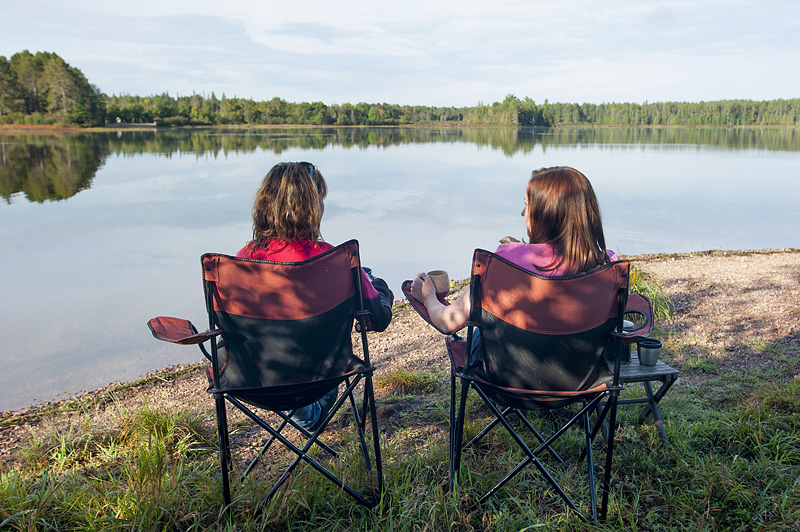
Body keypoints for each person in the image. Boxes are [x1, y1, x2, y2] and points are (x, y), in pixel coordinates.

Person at [236, 161, 394, 431]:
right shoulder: (336, 260)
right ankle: (309, 412)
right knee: (365, 279)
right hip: (321, 376)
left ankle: (303, 412)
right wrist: (378, 286)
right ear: (311, 206)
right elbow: (378, 319)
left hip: (254, 379)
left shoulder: (242, 260)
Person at [410, 166, 619, 359]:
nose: (522, 213)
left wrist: (429, 297)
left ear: (545, 213)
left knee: (482, 332)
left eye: (527, 204)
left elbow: (448, 322)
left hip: (507, 382)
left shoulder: (505, 260)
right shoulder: (608, 266)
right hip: (582, 380)